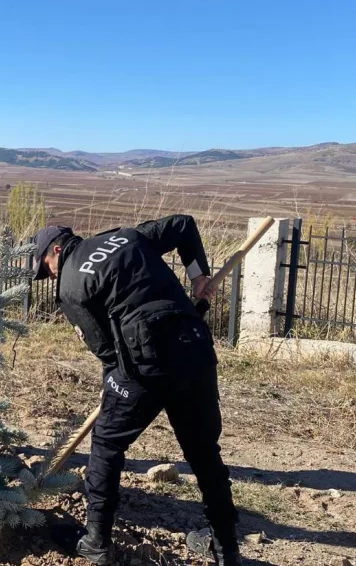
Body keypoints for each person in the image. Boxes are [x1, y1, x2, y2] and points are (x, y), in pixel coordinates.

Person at [30, 217, 241, 566]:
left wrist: (112, 392)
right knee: (204, 452)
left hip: (146, 361)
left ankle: (95, 541)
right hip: (196, 349)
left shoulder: (69, 286)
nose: (49, 274)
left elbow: (107, 352)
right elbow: (183, 226)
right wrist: (198, 275)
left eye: (46, 267)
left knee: (107, 442)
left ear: (56, 249)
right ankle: (226, 548)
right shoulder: (126, 237)